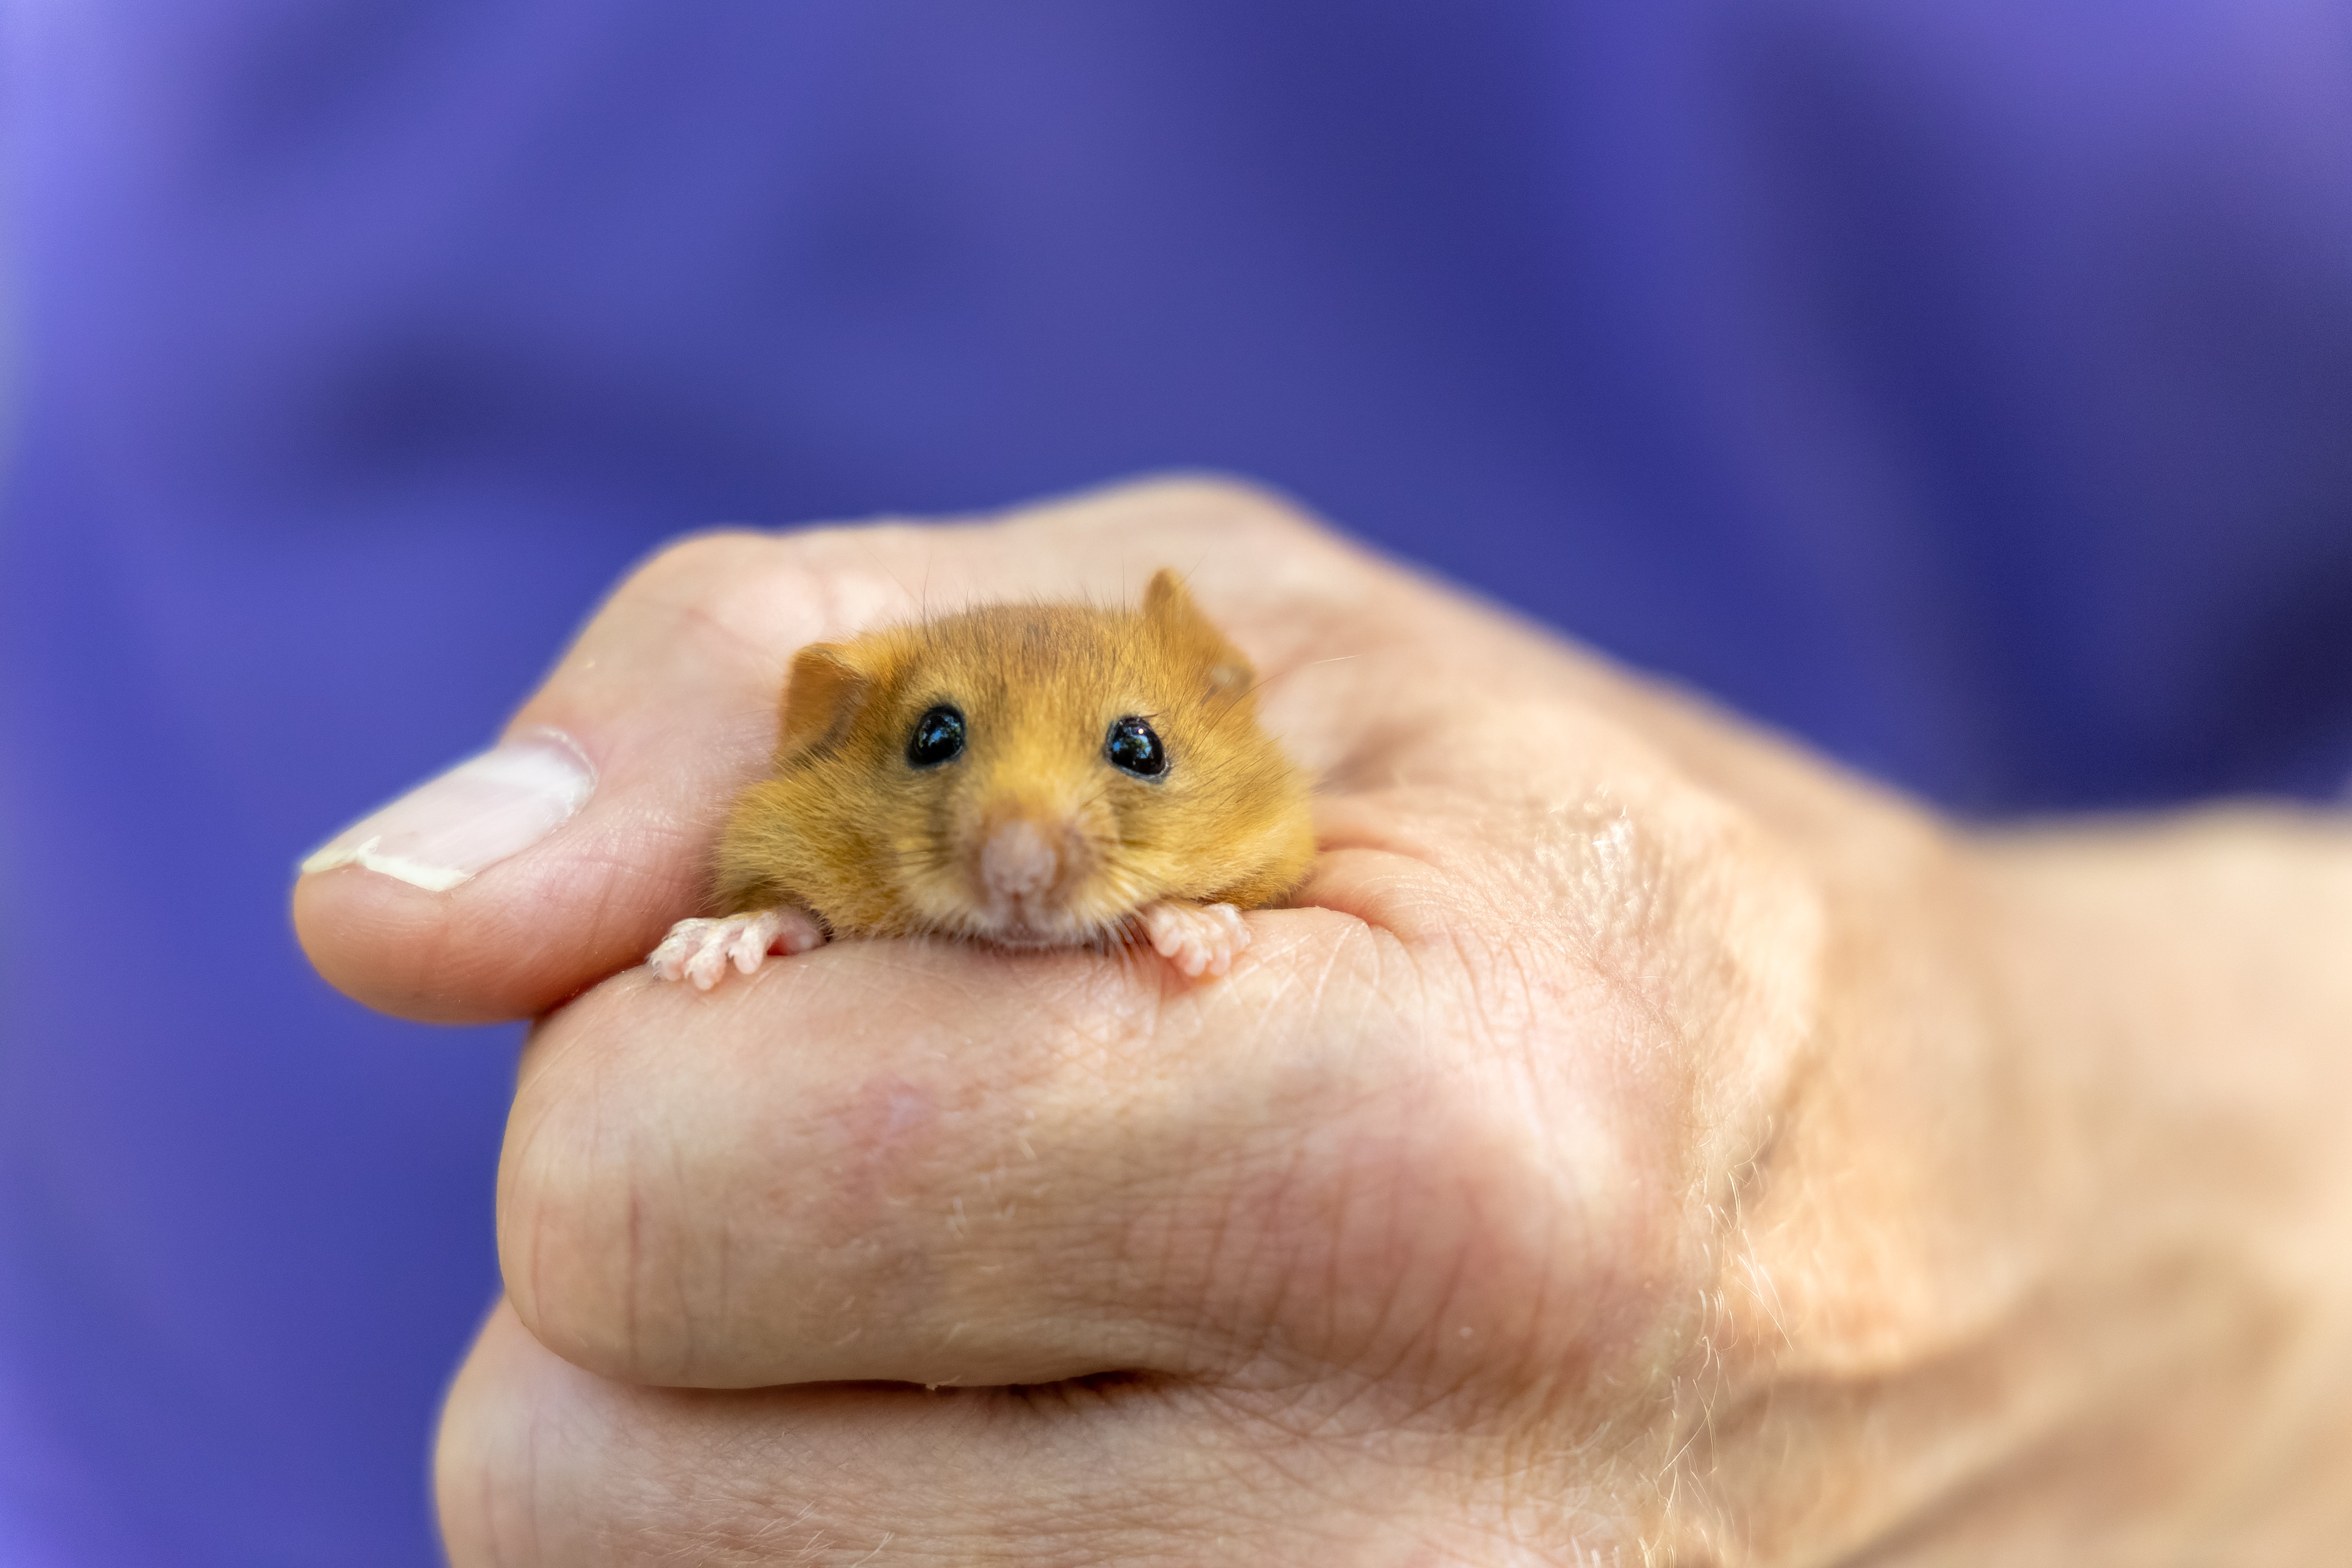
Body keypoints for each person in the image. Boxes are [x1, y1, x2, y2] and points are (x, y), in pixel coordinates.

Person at [5, 3, 2351, 1562]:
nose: (1028, 834)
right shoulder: (814, 823)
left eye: (1122, 766)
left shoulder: (1241, 825)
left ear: (1214, 733)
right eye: (939, 757)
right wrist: (742, 930)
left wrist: (2141, 1178)